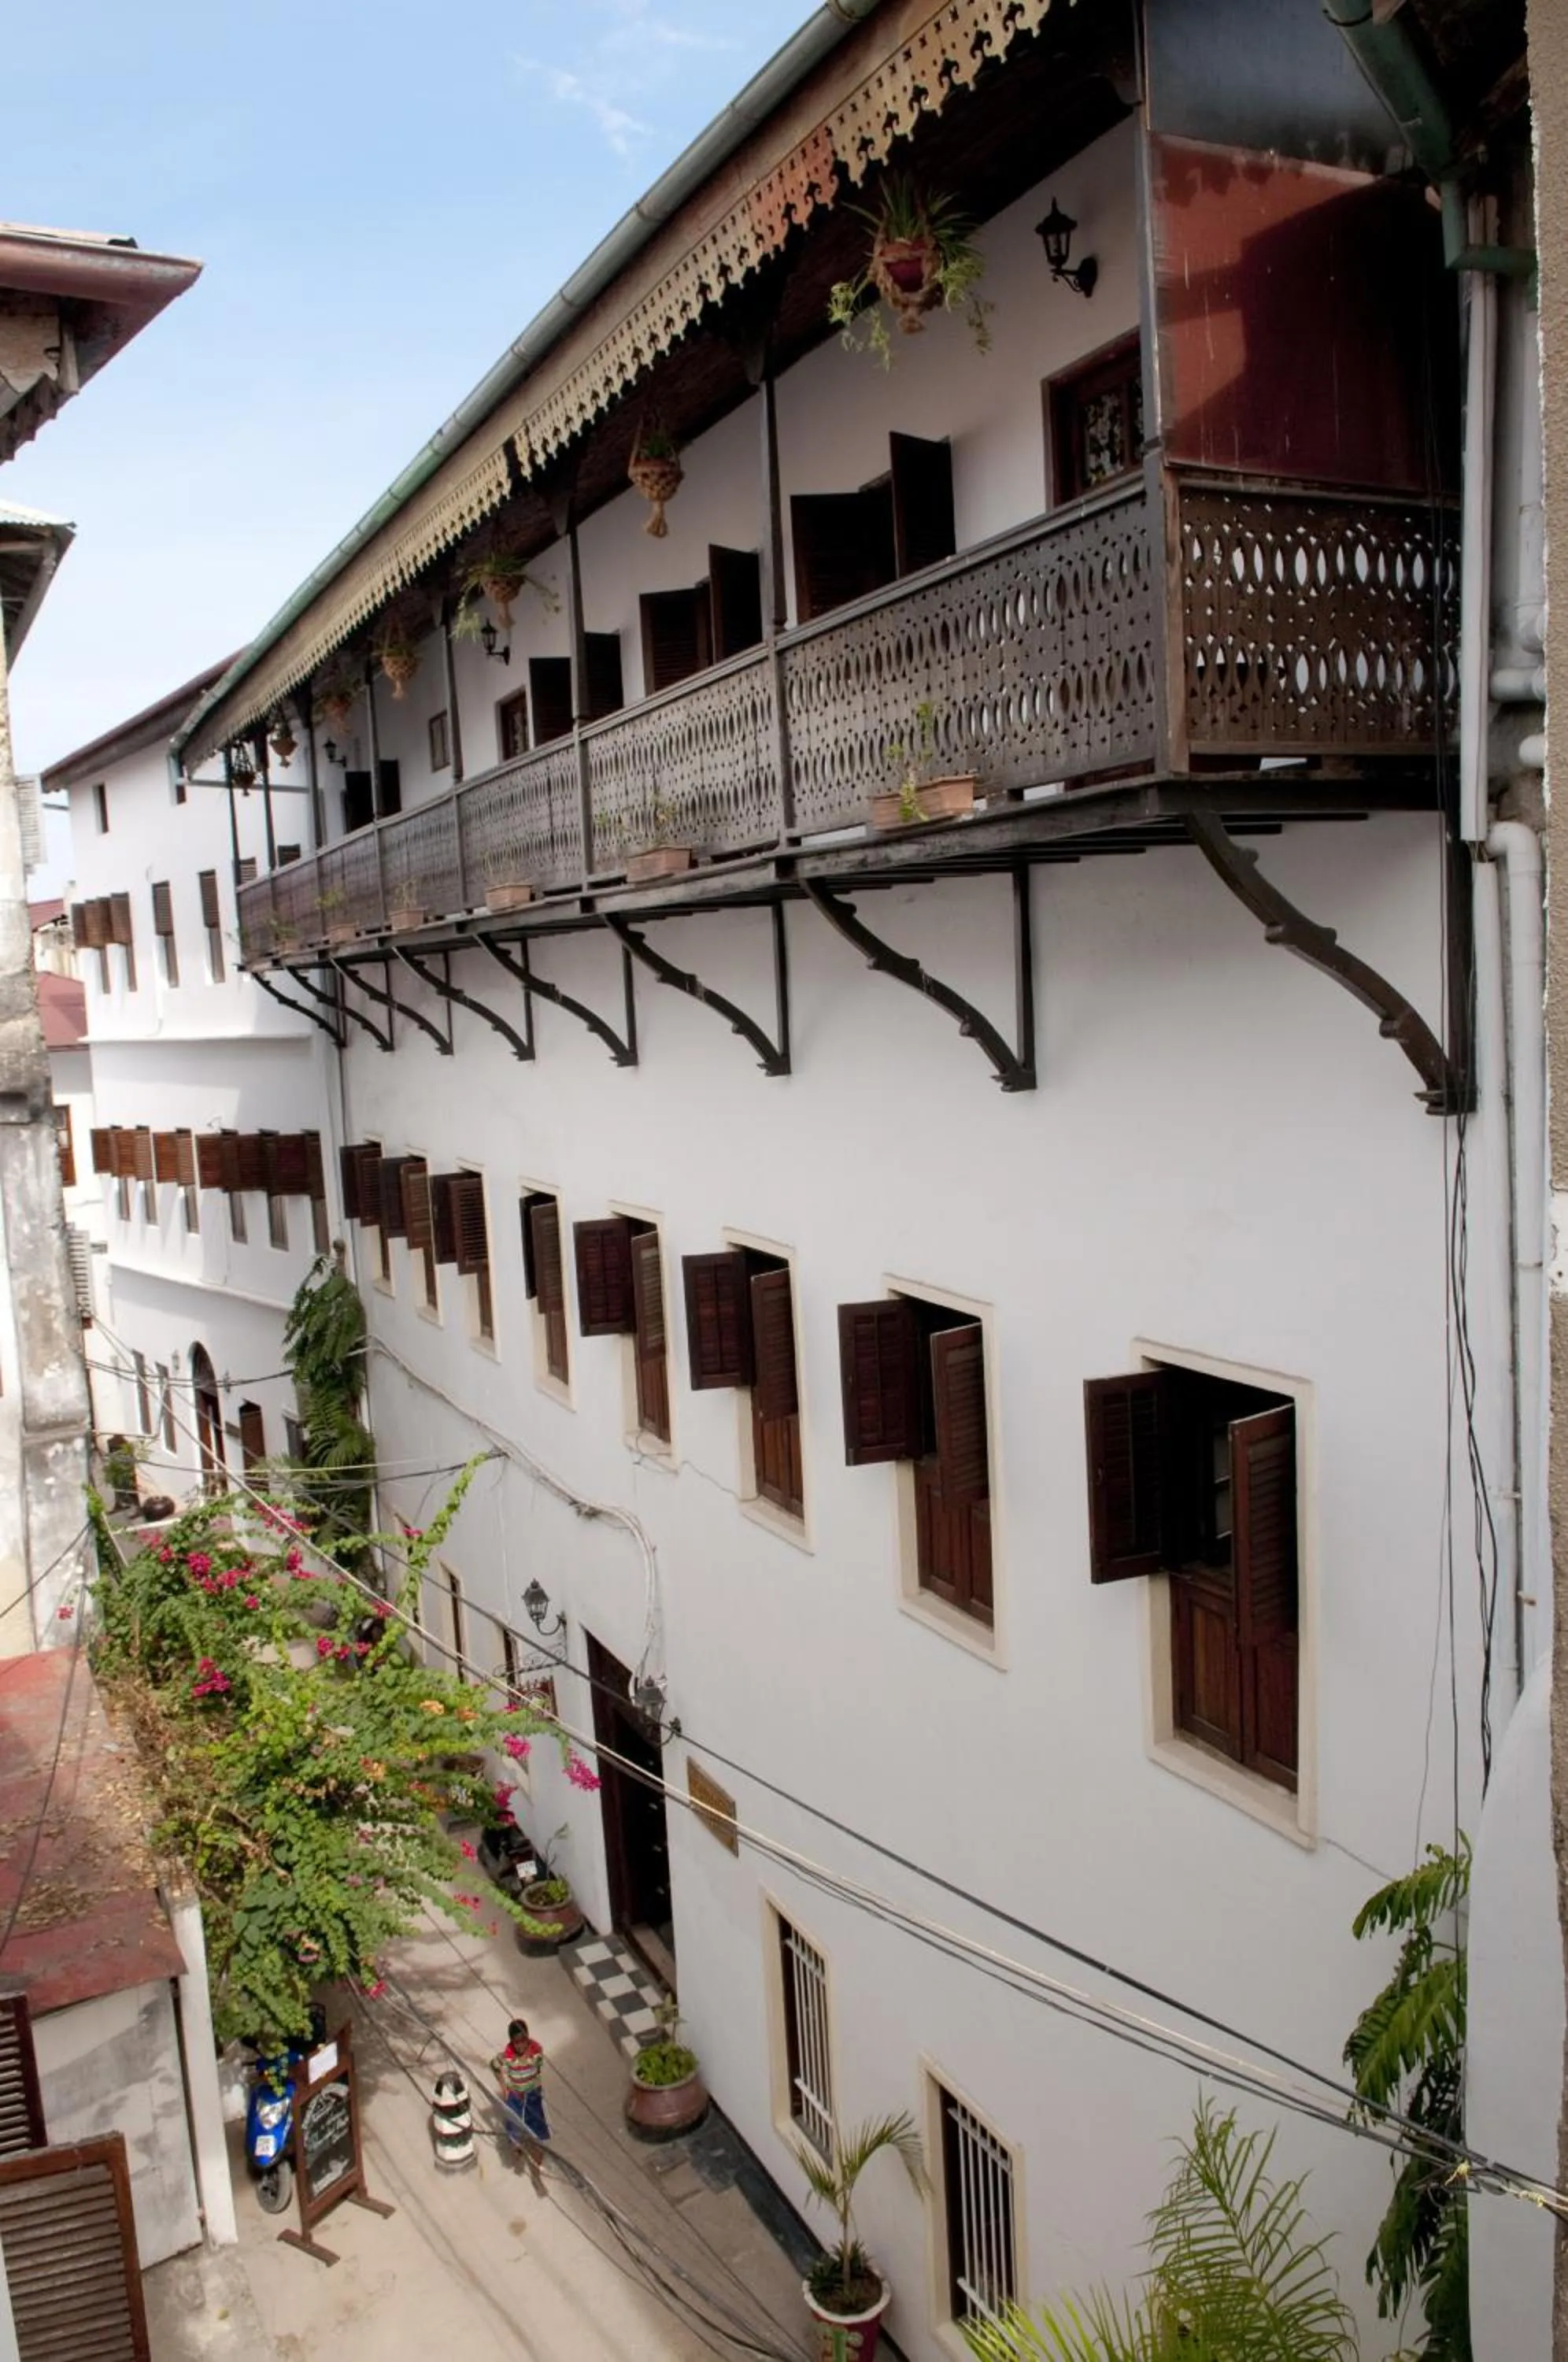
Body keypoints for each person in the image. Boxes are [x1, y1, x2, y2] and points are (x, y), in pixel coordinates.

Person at [491, 2018, 549, 2185]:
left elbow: (537, 2070)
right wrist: (504, 2088)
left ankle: (537, 2170)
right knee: (513, 2122)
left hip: (533, 2094)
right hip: (515, 2093)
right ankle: (517, 2150)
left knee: (538, 2129)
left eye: (524, 2040)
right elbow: (494, 2066)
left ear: (528, 2037)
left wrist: (535, 2085)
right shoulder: (507, 2056)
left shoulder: (536, 2051)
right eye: (517, 2042)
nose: (521, 2045)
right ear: (512, 2042)